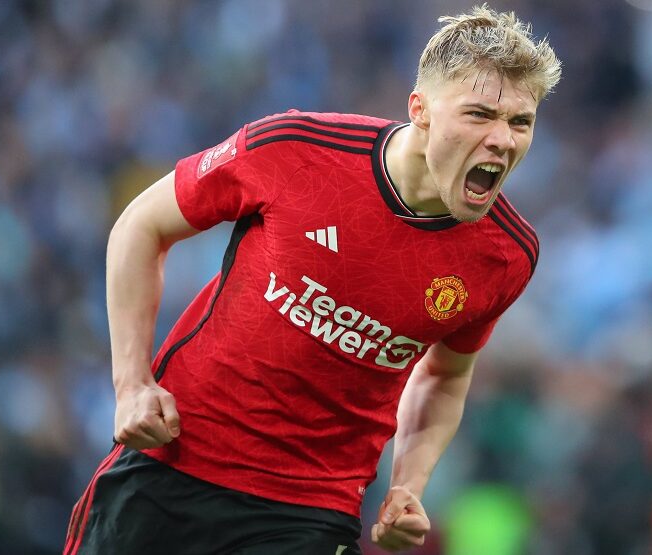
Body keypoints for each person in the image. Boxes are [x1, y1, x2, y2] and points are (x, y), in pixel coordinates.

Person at [64, 5, 560, 554]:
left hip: (311, 511)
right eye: (479, 115)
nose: (502, 140)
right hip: (174, 458)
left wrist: (408, 484)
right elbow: (142, 225)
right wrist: (132, 385)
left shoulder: (507, 255)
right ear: (420, 110)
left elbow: (445, 375)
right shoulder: (296, 149)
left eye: (520, 122)